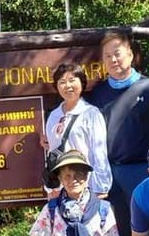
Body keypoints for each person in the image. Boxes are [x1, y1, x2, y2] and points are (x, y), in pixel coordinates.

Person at [86, 32, 149, 236]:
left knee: (146, 226)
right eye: (108, 56)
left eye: (118, 53)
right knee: (119, 226)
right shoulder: (98, 93)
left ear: (131, 54)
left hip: (141, 168)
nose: (114, 60)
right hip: (110, 172)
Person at [43, 62, 112, 197]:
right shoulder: (54, 115)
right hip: (61, 187)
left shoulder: (91, 113)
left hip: (86, 185)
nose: (67, 86)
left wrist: (101, 188)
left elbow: (99, 152)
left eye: (72, 80)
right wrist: (52, 188)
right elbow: (52, 151)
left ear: (82, 83)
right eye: (62, 82)